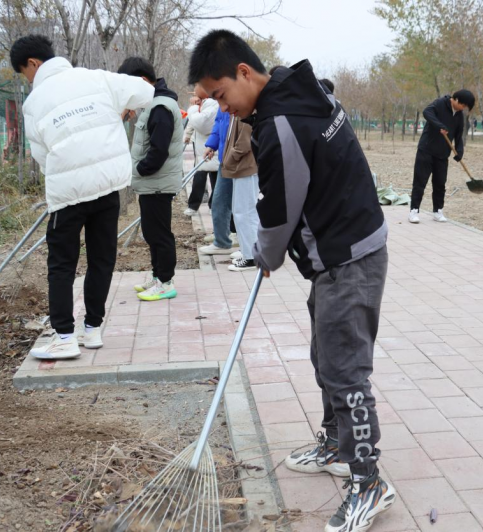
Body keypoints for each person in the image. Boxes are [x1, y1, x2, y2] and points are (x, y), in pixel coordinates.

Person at [190, 30, 394, 532]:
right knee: (326, 355)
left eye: (220, 95)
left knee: (345, 370)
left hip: (349, 257)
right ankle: (337, 443)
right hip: (342, 251)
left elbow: (279, 210)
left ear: (243, 72)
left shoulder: (280, 120)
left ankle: (368, 481)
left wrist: (265, 253)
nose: (223, 108)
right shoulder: (297, 91)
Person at [11, 35, 154, 359]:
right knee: (102, 258)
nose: (28, 80)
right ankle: (92, 330)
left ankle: (64, 336)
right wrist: (123, 107)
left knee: (62, 264)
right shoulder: (96, 78)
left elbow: (41, 154)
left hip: (68, 194)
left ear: (33, 63)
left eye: (25, 73)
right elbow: (145, 91)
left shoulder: (34, 102)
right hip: (107, 186)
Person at [117, 57, 184, 302]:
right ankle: (157, 276)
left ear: (143, 81)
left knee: (159, 234)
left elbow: (158, 151)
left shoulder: (160, 107)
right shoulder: (153, 104)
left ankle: (165, 282)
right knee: (151, 232)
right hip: (152, 184)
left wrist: (140, 169)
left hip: (157, 183)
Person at [408, 89, 475, 224]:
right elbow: (426, 112)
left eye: (466, 107)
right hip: (426, 150)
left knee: (440, 184)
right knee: (420, 182)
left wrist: (459, 151)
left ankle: (438, 211)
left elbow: (458, 135)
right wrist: (439, 126)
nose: (463, 108)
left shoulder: (459, 115)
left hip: (443, 154)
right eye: (463, 105)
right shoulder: (440, 103)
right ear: (456, 100)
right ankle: (414, 211)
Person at [220, 115, 259, 271]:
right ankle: (249, 252)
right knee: (244, 211)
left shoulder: (246, 110)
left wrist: (231, 157)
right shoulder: (240, 110)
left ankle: (251, 257)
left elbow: (244, 142)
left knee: (245, 212)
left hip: (246, 166)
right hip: (243, 166)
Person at [198, 108, 238, 255]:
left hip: (241, 160)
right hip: (225, 158)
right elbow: (219, 123)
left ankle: (250, 248)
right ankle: (222, 242)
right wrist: (212, 145)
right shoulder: (222, 104)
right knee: (219, 200)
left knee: (245, 206)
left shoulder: (240, 100)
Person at [183, 86, 220, 215]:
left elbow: (200, 123)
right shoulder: (202, 104)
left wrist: (193, 108)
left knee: (214, 176)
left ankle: (212, 205)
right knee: (201, 175)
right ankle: (195, 205)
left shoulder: (212, 103)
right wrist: (188, 134)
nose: (195, 91)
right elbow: (192, 121)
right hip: (200, 146)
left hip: (211, 145)